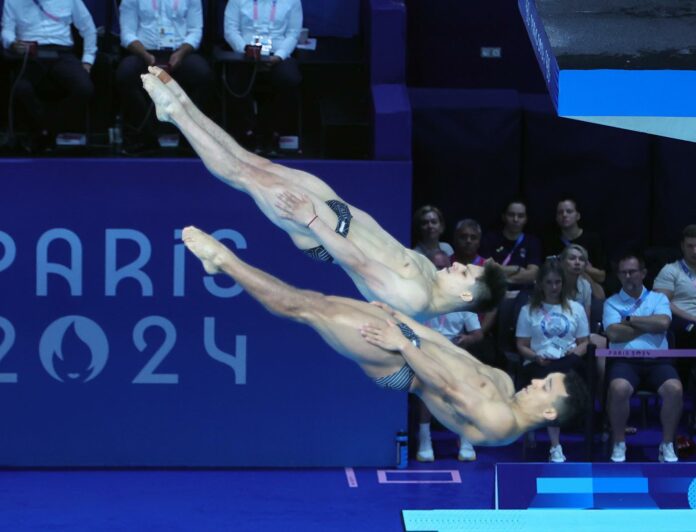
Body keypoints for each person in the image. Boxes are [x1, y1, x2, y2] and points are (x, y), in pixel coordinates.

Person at [140, 67, 505, 319]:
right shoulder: (430, 270)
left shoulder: (415, 298)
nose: (459, 265)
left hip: (318, 229)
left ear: (465, 296)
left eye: (466, 275)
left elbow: (357, 263)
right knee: (255, 163)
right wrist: (338, 206)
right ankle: (182, 103)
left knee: (242, 176)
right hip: (337, 212)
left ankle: (175, 114)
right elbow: (379, 238)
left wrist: (311, 219)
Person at [181, 225, 590, 447]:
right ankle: (225, 263)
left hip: (401, 366)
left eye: (545, 386)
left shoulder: (502, 424)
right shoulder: (504, 384)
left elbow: (444, 383)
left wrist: (400, 344)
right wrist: (404, 323)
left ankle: (224, 262)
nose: (536, 381)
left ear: (549, 412)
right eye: (543, 379)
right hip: (409, 344)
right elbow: (450, 355)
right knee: (317, 300)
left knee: (309, 308)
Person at [603, 253, 682, 463]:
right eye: (624, 272)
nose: (629, 276)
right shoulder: (611, 303)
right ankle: (619, 443)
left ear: (643, 273)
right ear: (618, 276)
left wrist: (629, 320)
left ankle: (667, 445)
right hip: (625, 361)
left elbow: (663, 324)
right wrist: (649, 326)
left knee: (675, 389)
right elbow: (613, 334)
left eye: (633, 272)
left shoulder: (659, 299)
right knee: (618, 388)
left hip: (658, 361)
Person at [116, 0, 214, 155]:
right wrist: (145, 55)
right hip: (145, 53)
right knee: (125, 73)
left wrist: (181, 53)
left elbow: (195, 31)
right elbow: (127, 33)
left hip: (180, 53)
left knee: (202, 73)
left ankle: (190, 138)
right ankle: (144, 136)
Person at [516, 259, 589, 462]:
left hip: (568, 361)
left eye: (557, 282)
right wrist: (535, 356)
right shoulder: (528, 310)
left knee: (565, 375)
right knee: (550, 382)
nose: (554, 287)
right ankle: (555, 446)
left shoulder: (576, 309)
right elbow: (521, 345)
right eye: (549, 282)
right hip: (538, 363)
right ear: (540, 284)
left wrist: (573, 353)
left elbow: (585, 342)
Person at [1, 0, 96, 153]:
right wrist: (12, 43)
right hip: (31, 52)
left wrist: (88, 60)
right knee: (20, 87)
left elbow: (88, 28)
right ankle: (44, 130)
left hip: (62, 52)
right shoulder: (13, 1)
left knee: (84, 88)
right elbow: (7, 30)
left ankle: (48, 128)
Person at [419, 250, 482, 462]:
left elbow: (477, 334)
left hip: (456, 354)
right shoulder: (418, 297)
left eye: (442, 268)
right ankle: (424, 439)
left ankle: (465, 437)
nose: (438, 272)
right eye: (434, 268)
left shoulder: (463, 297)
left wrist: (465, 340)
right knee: (424, 387)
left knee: (465, 389)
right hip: (426, 354)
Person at [224, 0, 303, 152]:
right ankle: (246, 132)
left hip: (278, 54)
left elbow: (293, 34)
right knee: (235, 79)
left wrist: (279, 56)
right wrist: (246, 50)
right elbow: (231, 31)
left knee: (289, 78)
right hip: (245, 54)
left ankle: (274, 132)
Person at [653, 224, 696, 434]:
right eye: (691, 246)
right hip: (681, 322)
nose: (695, 251)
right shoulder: (671, 271)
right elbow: (662, 303)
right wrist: (693, 318)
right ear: (682, 246)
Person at [480, 199, 541, 292]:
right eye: (511, 215)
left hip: (523, 295)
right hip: (494, 293)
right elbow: (487, 270)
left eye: (520, 216)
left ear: (526, 219)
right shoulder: (490, 239)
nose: (515, 219)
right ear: (503, 216)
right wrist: (516, 269)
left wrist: (501, 277)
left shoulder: (532, 241)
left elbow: (533, 274)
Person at [543, 198, 606, 285]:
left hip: (587, 290)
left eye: (569, 211)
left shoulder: (592, 239)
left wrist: (579, 266)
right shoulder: (550, 242)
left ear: (578, 216)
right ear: (556, 218)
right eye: (560, 212)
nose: (564, 215)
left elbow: (602, 277)